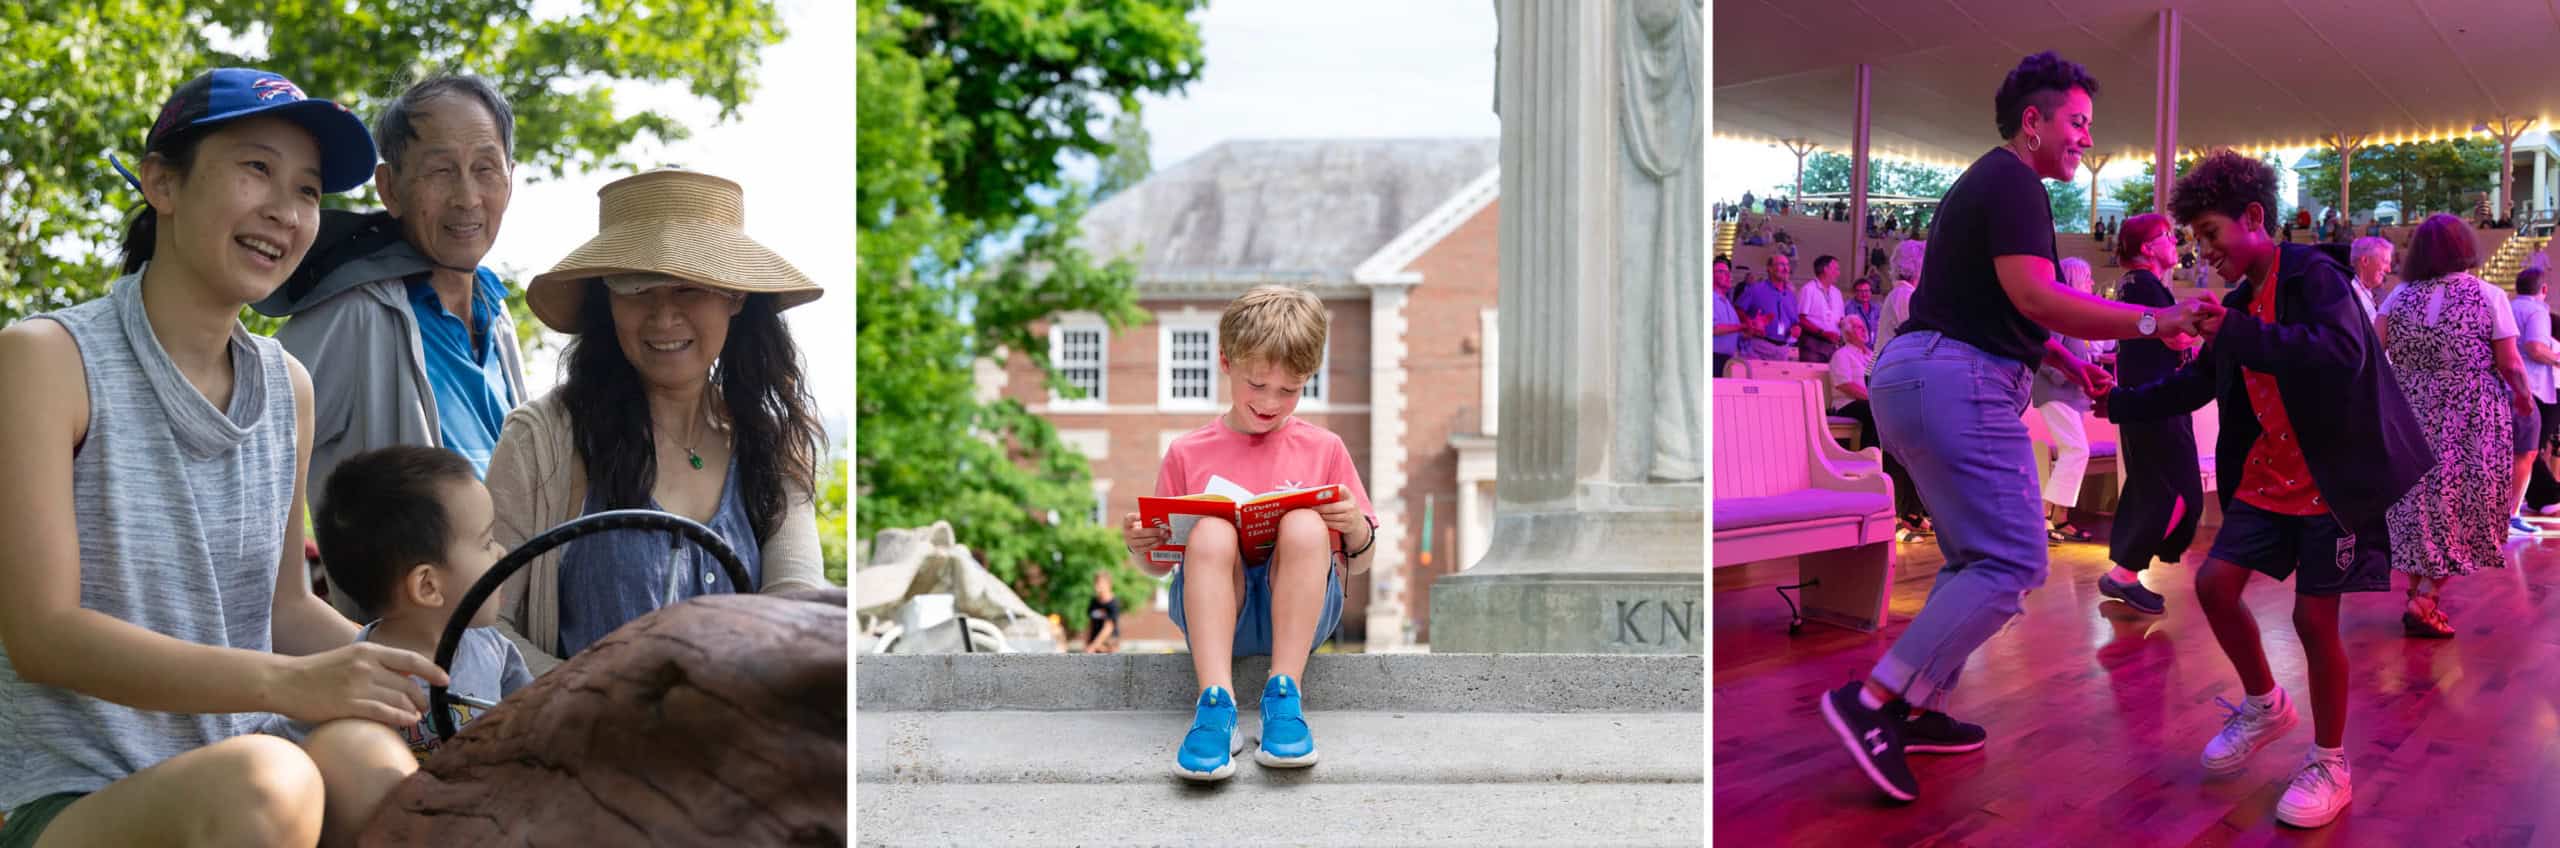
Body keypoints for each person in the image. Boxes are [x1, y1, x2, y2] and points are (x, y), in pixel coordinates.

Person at [0, 68, 448, 848]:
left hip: (245, 751)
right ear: (161, 183)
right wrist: (291, 683)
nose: (285, 210)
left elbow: (283, 612)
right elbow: (42, 635)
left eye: (308, 190)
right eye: (256, 168)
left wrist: (416, 675)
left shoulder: (288, 387)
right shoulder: (45, 358)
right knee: (269, 785)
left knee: (373, 762)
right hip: (74, 796)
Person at [1816, 52, 2221, 803]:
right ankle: (1872, 701)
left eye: (2088, 127)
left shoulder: (1989, 183)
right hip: (1955, 379)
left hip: (1917, 376)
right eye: (2075, 123)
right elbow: (2035, 297)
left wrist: (2076, 359)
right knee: (2010, 562)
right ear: (2031, 122)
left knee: (1974, 559)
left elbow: (2000, 304)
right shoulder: (2014, 181)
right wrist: (2154, 320)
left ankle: (1919, 706)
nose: (2084, 139)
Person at [2104, 152, 2434, 829]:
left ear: (2254, 218)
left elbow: (2342, 353)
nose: (2203, 250)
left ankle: (2331, 761)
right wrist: (2117, 402)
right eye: (2192, 237)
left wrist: (2243, 331)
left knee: (2314, 622)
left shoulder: (2315, 275)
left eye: (2209, 232)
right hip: (2265, 481)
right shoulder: (2235, 304)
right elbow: (2198, 383)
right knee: (2214, 586)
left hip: (2328, 481)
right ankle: (2264, 704)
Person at [487, 169, 833, 662]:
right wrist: (595, 703)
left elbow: (795, 605)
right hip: (576, 736)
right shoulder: (541, 441)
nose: (663, 317)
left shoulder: (772, 445)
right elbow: (482, 624)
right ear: (607, 299)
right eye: (637, 289)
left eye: (688, 289)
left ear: (735, 296)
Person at [247, 75, 531, 620]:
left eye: (486, 169)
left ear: (510, 181)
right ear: (391, 189)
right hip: (411, 678)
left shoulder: (498, 322)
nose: (467, 197)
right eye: (440, 170)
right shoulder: (353, 314)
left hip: (508, 661)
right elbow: (246, 464)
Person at [1118, 285, 1379, 783]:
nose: (1271, 402)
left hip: (1301, 614)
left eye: (1290, 390)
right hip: (1216, 616)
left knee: (1304, 524)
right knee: (1212, 532)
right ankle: (1215, 706)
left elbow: (1361, 560)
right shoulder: (1186, 453)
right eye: (1257, 384)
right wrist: (1139, 547)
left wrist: (1354, 530)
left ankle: (1284, 696)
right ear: (1226, 362)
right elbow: (1158, 565)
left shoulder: (1325, 448)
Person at [280, 446, 530, 756]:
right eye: (487, 542)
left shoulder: (493, 649)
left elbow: (538, 721)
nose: (501, 553)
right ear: (427, 586)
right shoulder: (356, 684)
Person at [2378, 214, 2533, 638]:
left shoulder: (2398, 296)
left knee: (2416, 501)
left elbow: (2375, 352)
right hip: (2470, 416)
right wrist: (2523, 398)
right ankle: (2426, 598)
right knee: (2463, 499)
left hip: (2409, 411)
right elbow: (2509, 363)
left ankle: (2415, 593)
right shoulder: (2488, 296)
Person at [2098, 213, 2202, 614]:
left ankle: (2126, 569)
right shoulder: (2144, 284)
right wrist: (2200, 322)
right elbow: (2174, 337)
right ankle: (2125, 572)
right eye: (2166, 236)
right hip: (2158, 401)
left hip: (2141, 399)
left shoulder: (2133, 285)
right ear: (2146, 247)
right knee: (2177, 490)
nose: (2175, 242)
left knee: (2149, 485)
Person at [2035, 259, 2106, 544]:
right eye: (2087, 277)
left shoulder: (2069, 313)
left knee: (2074, 450)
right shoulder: (2059, 313)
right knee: (2076, 450)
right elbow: (2045, 357)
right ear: (2075, 279)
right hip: (2054, 392)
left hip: (2064, 393)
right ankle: (2055, 517)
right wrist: (2074, 377)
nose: (2091, 283)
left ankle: (2051, 516)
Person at [1874, 238, 1934, 541]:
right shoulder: (1902, 295)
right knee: (1899, 451)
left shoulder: (1906, 295)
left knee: (1912, 448)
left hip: (1899, 377)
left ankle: (1912, 512)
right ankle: (1897, 516)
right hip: (1893, 379)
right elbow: (1919, 333)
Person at [2510, 270, 2560, 525]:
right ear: (2543, 290)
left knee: (2521, 449)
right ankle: (2545, 498)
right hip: (2533, 388)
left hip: (2510, 385)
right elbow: (2536, 348)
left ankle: (2534, 498)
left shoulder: (2508, 305)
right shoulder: (2537, 311)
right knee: (2528, 451)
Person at [1737, 254, 1800, 361]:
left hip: (1783, 349)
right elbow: (1738, 310)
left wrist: (1797, 328)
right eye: (1781, 264)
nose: (1785, 268)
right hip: (1759, 346)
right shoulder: (1755, 290)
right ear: (1769, 268)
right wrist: (1749, 322)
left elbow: (1795, 322)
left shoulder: (1790, 295)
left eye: (1787, 265)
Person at [1797, 255, 1847, 363]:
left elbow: (1841, 318)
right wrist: (1823, 333)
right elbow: (1801, 319)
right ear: (1826, 269)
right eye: (1836, 269)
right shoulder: (1808, 289)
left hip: (1833, 344)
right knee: (1812, 376)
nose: (1838, 273)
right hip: (1812, 343)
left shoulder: (1837, 292)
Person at [2348, 236, 2394, 327]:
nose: (2389, 270)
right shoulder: (2350, 295)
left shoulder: (2364, 290)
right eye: (2385, 262)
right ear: (2365, 260)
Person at [1713, 255, 1744, 376]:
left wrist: (1751, 329)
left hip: (1727, 359)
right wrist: (1742, 327)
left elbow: (1733, 331)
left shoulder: (1727, 303)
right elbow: (1713, 329)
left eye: (1728, 272)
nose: (1727, 275)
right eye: (1721, 271)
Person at [1083, 571, 1123, 654]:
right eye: (1095, 582)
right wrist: (1087, 643)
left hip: (1108, 645)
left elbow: (1108, 627)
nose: (1096, 586)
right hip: (1094, 644)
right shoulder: (1094, 602)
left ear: (1108, 584)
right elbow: (1090, 624)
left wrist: (1093, 646)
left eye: (1099, 582)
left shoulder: (1113, 603)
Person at [1847, 278, 1883, 347]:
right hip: (1858, 349)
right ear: (1855, 292)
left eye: (1866, 291)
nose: (1864, 294)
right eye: (1860, 291)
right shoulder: (1850, 308)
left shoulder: (1877, 308)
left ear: (1871, 292)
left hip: (1875, 349)